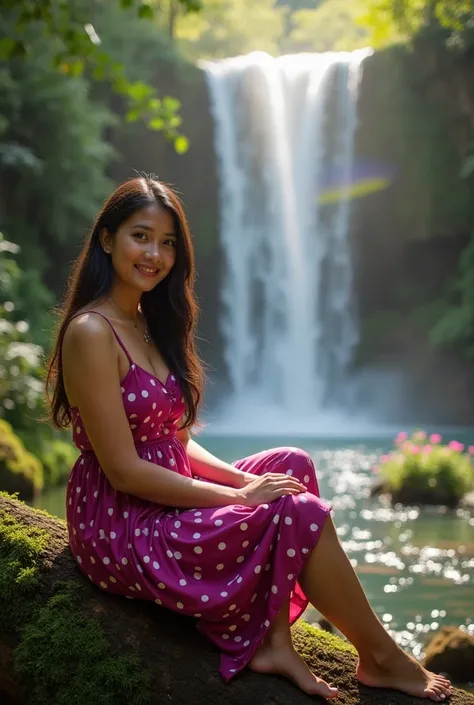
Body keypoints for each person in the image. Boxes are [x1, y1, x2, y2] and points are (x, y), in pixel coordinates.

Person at [46, 176, 452, 702]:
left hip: (164, 493)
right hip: (120, 522)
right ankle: (380, 658)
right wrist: (238, 497)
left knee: (292, 467)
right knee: (296, 511)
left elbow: (175, 440)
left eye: (168, 242)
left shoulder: (149, 321)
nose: (155, 254)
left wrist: (244, 478)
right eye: (140, 236)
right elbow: (124, 469)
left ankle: (273, 639)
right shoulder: (91, 333)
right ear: (106, 239)